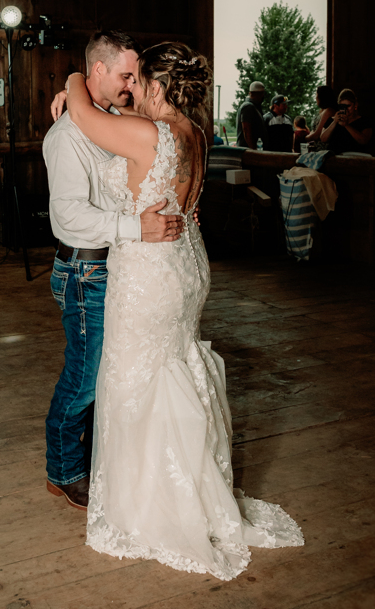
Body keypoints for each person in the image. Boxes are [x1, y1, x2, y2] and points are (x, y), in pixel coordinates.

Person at [65, 42, 304, 582]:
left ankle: (153, 505)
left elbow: (83, 113)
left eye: (137, 83)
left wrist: (75, 79)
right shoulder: (193, 134)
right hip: (187, 265)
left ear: (155, 86)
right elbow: (128, 123)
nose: (128, 91)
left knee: (136, 377)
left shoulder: (147, 135)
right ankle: (188, 487)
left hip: (150, 272)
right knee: (174, 368)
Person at [43, 31, 185, 511]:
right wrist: (136, 227)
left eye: (136, 77)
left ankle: (93, 461)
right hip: (84, 271)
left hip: (117, 269)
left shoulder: (107, 121)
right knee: (83, 378)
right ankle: (62, 472)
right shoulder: (66, 136)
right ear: (97, 71)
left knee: (108, 375)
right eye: (125, 75)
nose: (131, 85)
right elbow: (68, 218)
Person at [319, 87, 373, 154]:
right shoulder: (332, 120)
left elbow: (364, 141)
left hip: (356, 158)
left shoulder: (364, 121)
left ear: (355, 105)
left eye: (348, 106)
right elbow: (323, 139)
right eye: (342, 106)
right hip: (335, 158)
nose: (346, 109)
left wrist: (346, 125)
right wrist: (335, 122)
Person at [235, 81, 266, 149]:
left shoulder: (254, 107)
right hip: (247, 151)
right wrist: (253, 150)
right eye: (261, 94)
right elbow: (246, 130)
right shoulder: (248, 107)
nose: (263, 96)